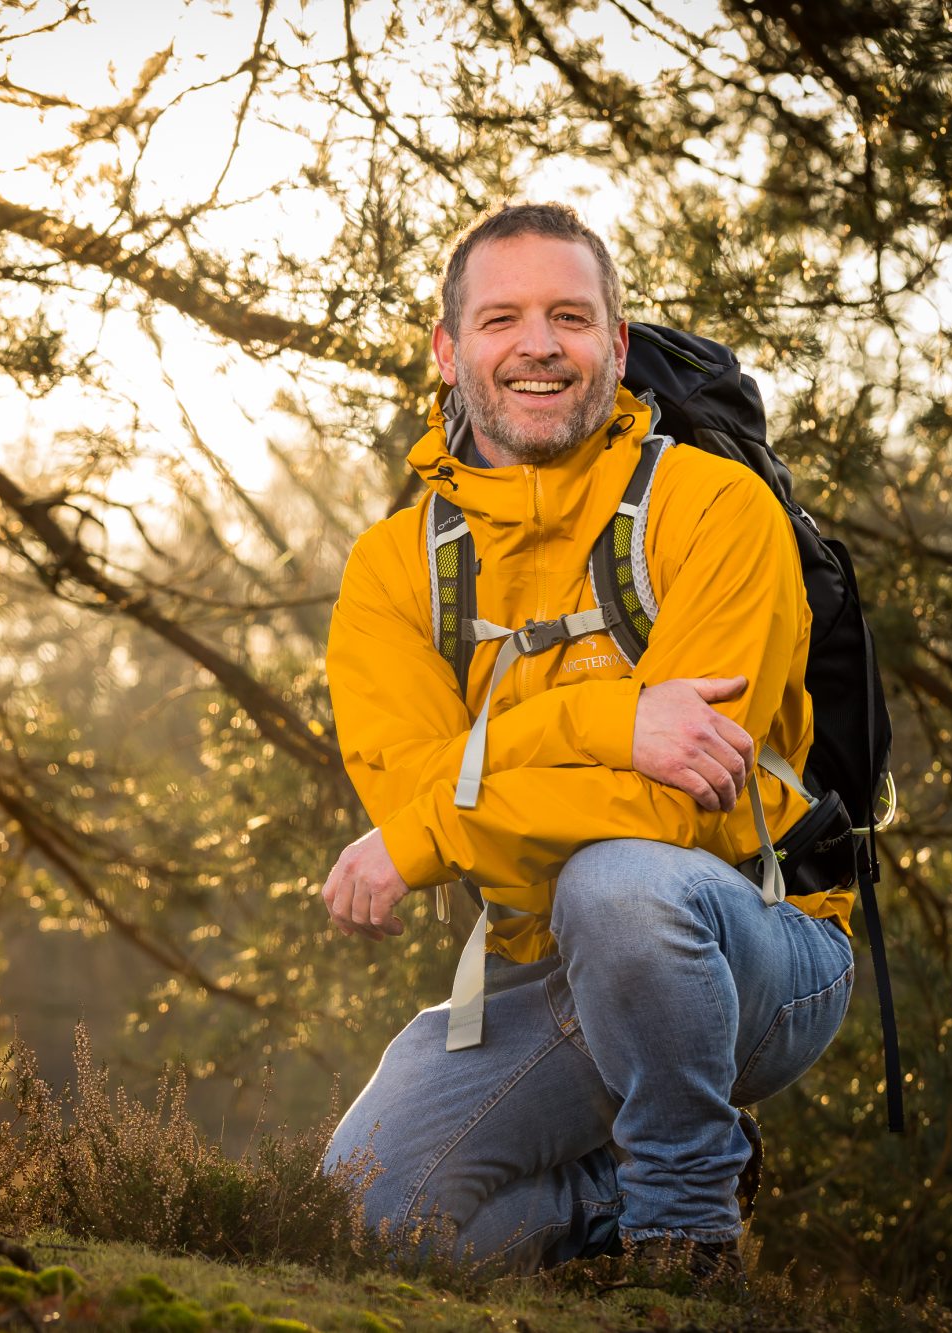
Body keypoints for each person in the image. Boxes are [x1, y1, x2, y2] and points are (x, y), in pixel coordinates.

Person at [317, 203, 856, 1281]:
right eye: (500, 318)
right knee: (360, 1217)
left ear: (613, 345)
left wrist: (444, 827)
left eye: (569, 316)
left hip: (758, 942)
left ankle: (684, 1226)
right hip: (546, 970)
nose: (536, 346)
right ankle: (606, 1201)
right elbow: (420, 795)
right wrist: (608, 721)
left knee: (618, 885)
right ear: (447, 350)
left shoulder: (714, 509)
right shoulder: (391, 571)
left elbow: (676, 810)